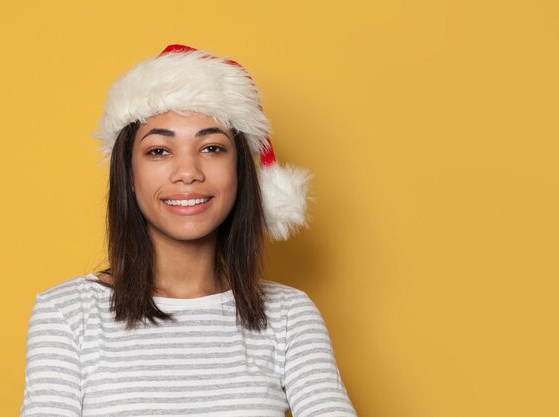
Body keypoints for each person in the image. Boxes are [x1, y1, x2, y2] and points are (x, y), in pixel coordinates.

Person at [19, 44, 357, 417]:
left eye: (212, 147)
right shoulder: (67, 314)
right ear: (128, 175)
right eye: (159, 151)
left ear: (242, 172)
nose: (188, 172)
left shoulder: (289, 316)